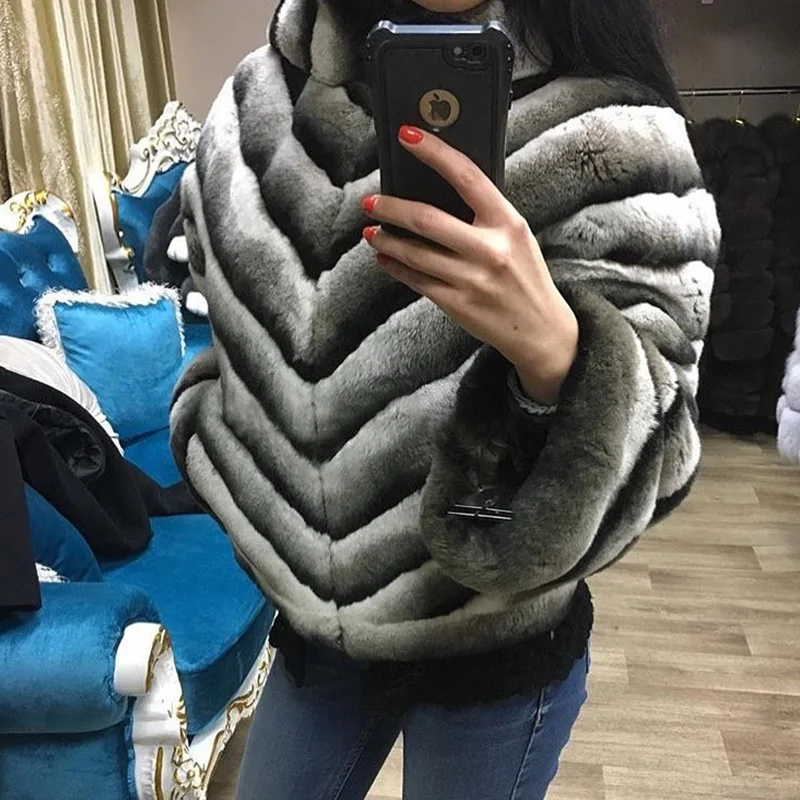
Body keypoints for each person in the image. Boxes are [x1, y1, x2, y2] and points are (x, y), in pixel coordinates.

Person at [170, 0, 720, 797]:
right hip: (313, 627)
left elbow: (661, 440)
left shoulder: (614, 135)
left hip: (490, 632)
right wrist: (227, 446)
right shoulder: (260, 102)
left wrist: (558, 353)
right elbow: (219, 309)